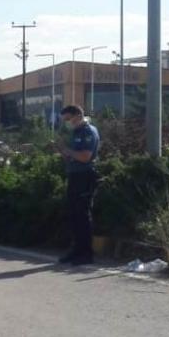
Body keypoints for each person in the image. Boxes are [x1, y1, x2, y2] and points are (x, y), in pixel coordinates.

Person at [56, 105, 101, 266]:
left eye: (68, 119)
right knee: (74, 214)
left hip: (85, 176)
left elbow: (85, 157)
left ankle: (86, 253)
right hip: (75, 175)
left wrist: (67, 150)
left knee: (82, 214)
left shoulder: (89, 131)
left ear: (78, 115)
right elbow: (72, 157)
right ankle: (76, 250)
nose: (66, 123)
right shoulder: (76, 132)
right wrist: (62, 150)